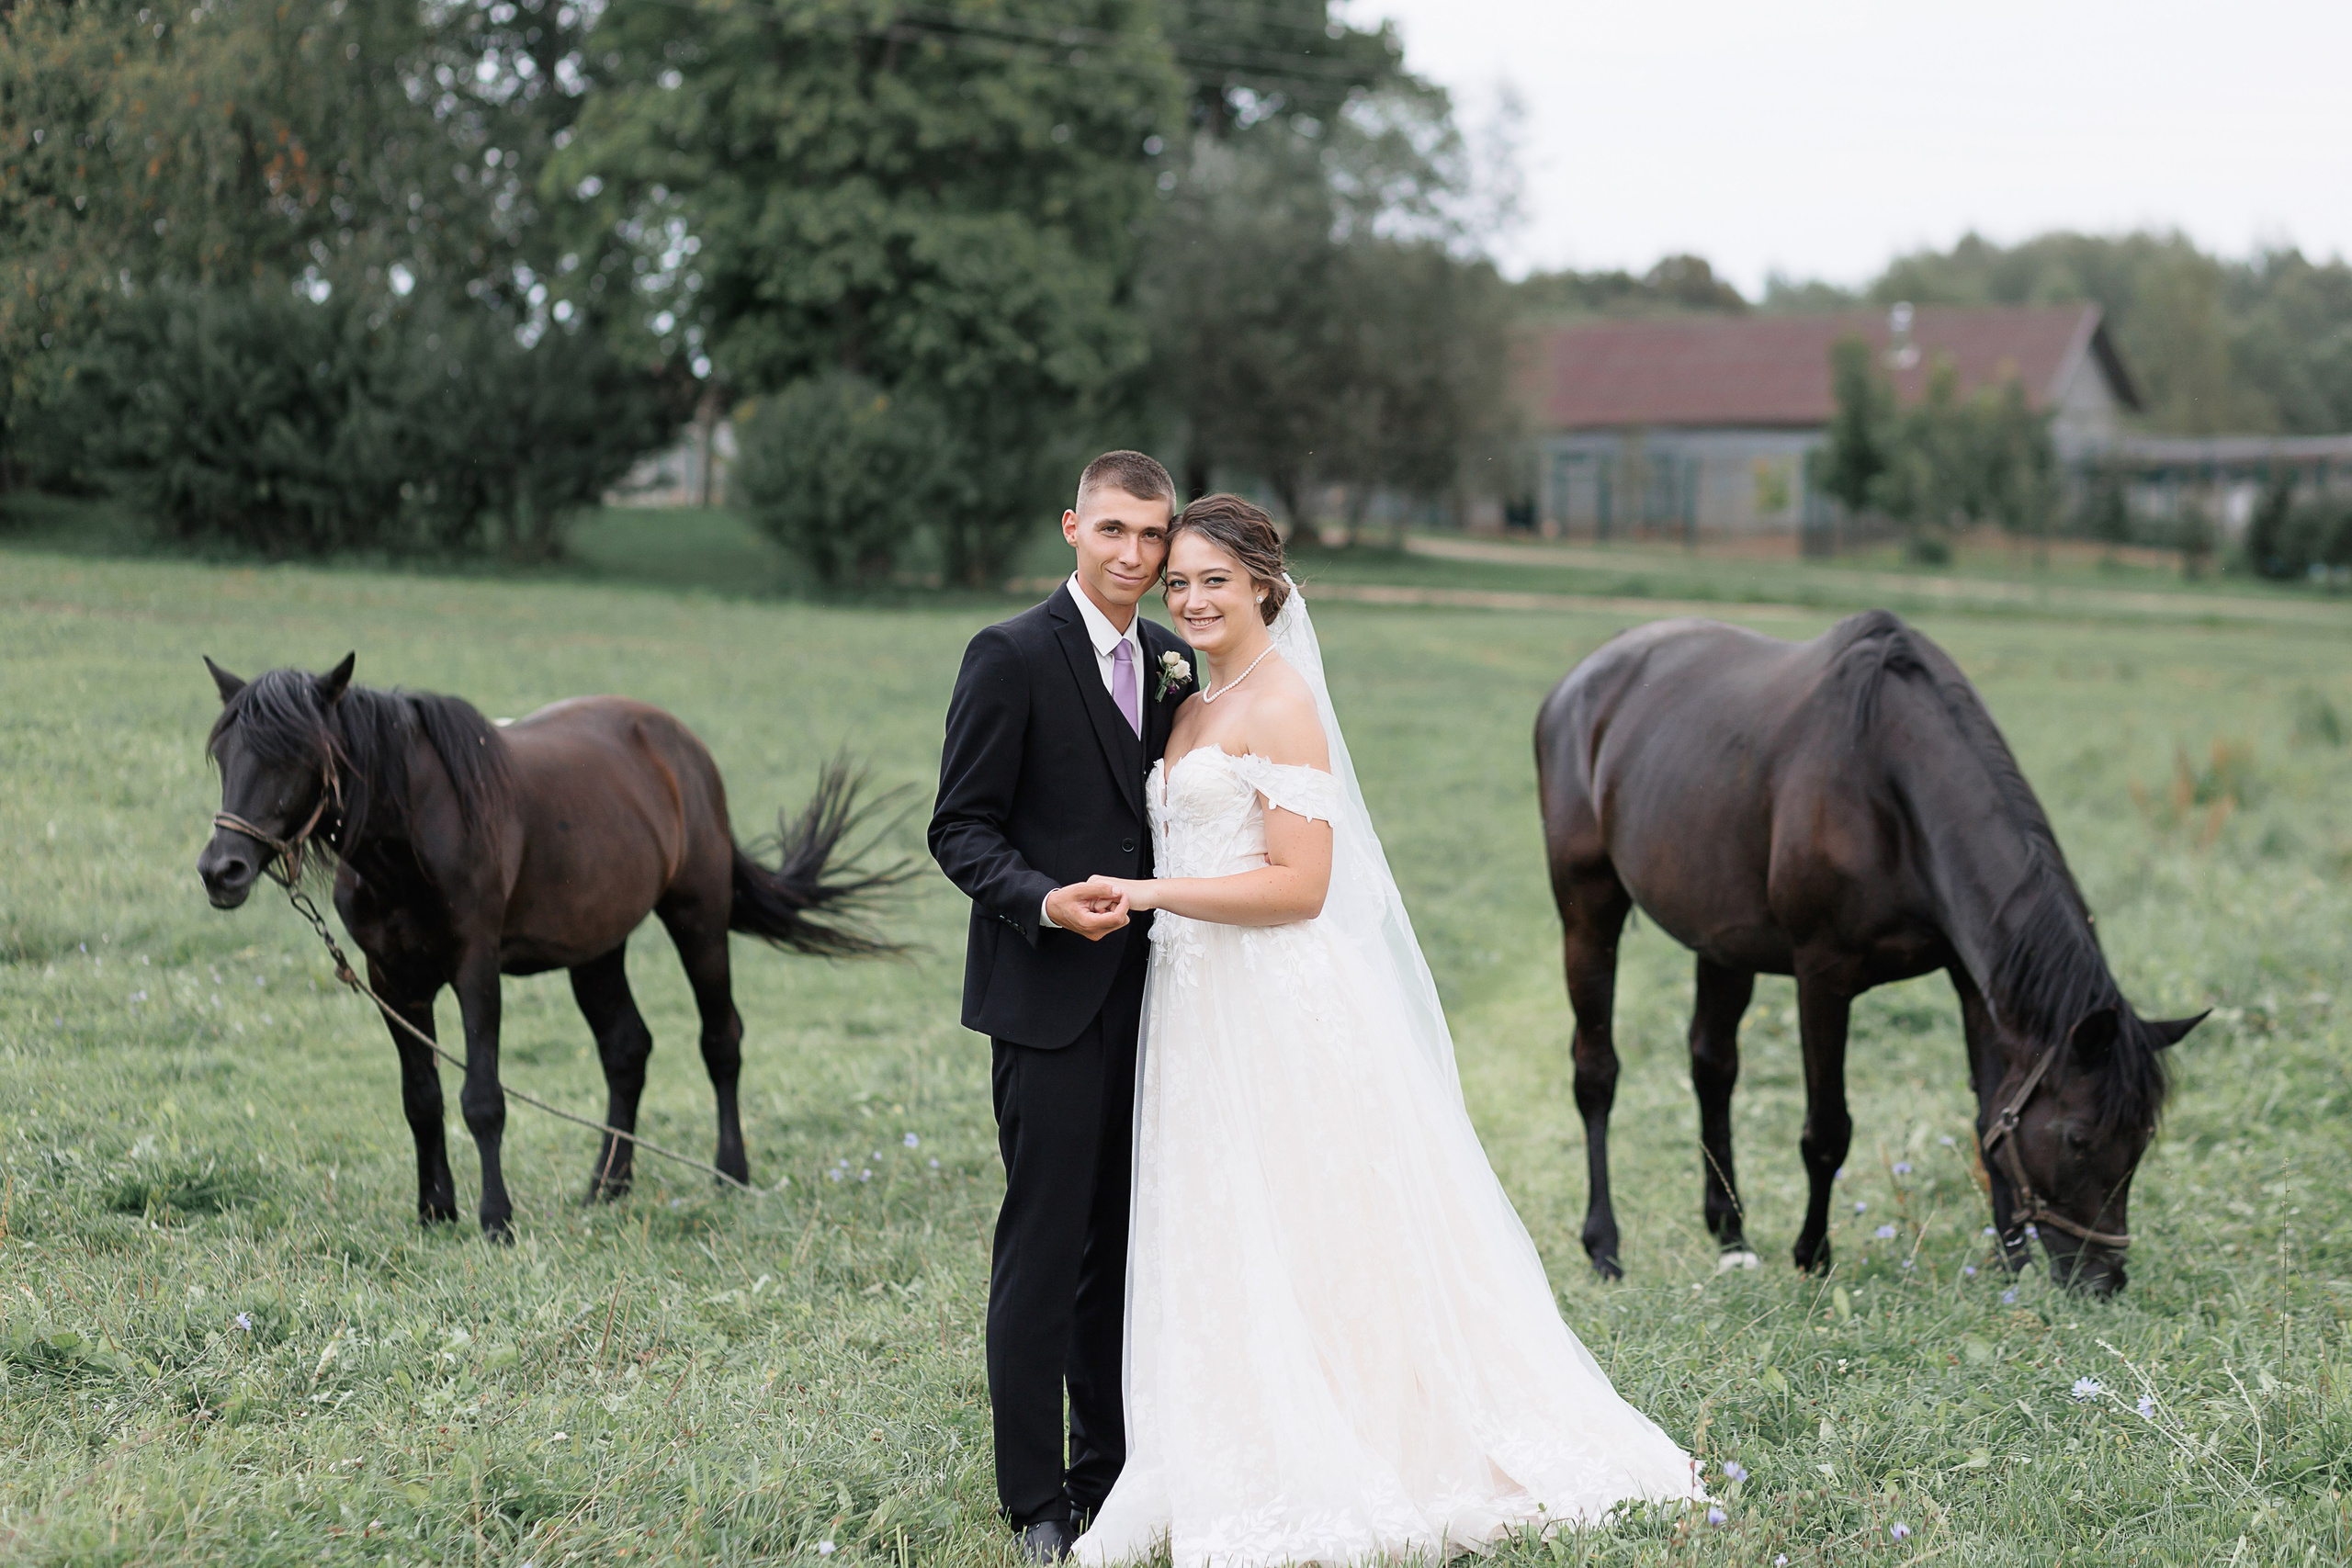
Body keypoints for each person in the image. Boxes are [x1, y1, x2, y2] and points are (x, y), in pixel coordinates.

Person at [1069, 495, 1705, 1567]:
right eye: (1177, 583)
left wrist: (1147, 892)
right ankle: (1218, 1434)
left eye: (1213, 580)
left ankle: (1360, 1433)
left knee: (1313, 1223)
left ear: (1265, 584)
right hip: (1195, 1008)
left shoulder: (1282, 706)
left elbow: (1301, 885)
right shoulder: (1187, 702)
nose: (1189, 599)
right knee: (1220, 1219)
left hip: (1272, 998)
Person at [928, 452, 1197, 1563]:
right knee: (1043, 1251)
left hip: (1165, 1006)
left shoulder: (1177, 658)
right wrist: (1042, 900)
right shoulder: (1010, 655)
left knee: (1129, 1249)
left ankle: (1111, 1472)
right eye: (1112, 532)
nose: (1132, 555)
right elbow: (959, 830)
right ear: (1070, 529)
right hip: (1046, 1002)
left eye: (1151, 536)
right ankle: (1035, 1499)